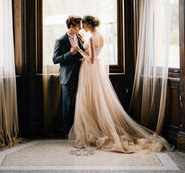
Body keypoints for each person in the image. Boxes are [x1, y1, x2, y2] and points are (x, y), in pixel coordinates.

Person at [68, 15, 171, 153]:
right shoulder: (99, 35)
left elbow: (91, 59)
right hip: (96, 71)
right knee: (97, 99)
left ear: (87, 25)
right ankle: (97, 127)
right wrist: (84, 41)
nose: (82, 27)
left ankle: (93, 130)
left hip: (89, 69)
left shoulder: (92, 38)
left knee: (89, 100)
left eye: (83, 25)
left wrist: (79, 50)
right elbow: (94, 50)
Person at [53, 16, 84, 138]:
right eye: (79, 25)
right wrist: (70, 53)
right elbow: (55, 59)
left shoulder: (79, 37)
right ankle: (67, 131)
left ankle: (79, 129)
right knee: (67, 105)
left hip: (82, 74)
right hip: (68, 77)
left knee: (80, 103)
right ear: (71, 26)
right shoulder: (60, 40)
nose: (81, 27)